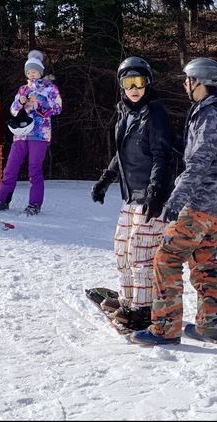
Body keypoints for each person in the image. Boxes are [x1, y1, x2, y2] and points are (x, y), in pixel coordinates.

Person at [131, 57, 217, 345]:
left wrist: (174, 202)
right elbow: (203, 153)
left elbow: (199, 164)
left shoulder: (210, 116)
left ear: (199, 82)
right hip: (213, 202)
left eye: (187, 80)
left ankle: (165, 329)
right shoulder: (214, 112)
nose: (184, 85)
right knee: (204, 261)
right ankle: (210, 326)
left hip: (198, 200)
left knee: (166, 258)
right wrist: (177, 142)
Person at [89, 57, 174, 330]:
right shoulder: (127, 114)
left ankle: (144, 308)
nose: (134, 88)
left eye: (139, 82)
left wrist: (155, 191)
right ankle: (129, 300)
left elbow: (162, 155)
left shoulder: (155, 112)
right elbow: (122, 153)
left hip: (152, 197)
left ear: (148, 84)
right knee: (122, 249)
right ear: (121, 86)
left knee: (141, 253)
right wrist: (106, 179)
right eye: (128, 83)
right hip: (131, 196)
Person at [0, 50, 63, 215]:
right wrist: (20, 102)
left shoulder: (50, 88)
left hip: (40, 134)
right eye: (28, 71)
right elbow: (13, 111)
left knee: (34, 168)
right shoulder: (23, 88)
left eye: (34, 71)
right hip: (20, 133)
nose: (31, 74)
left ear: (41, 72)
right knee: (10, 168)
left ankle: (34, 204)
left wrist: (41, 100)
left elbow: (57, 108)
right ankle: (2, 200)